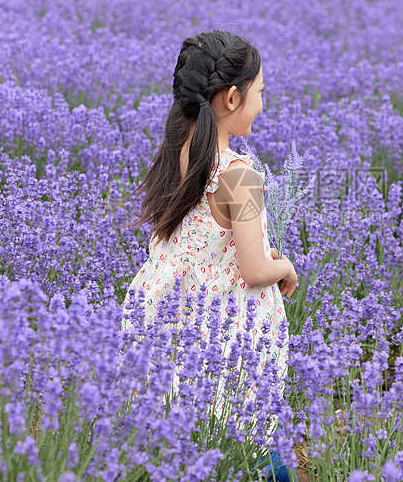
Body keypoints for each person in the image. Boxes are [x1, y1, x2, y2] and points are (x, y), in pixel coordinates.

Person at [121, 30, 298, 482]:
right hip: (227, 339)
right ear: (233, 98)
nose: (263, 104)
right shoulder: (242, 175)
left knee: (182, 439)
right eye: (260, 93)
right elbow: (255, 269)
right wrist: (286, 266)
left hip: (177, 323)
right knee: (251, 440)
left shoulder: (176, 155)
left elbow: (201, 243)